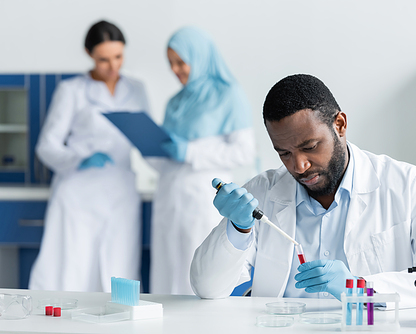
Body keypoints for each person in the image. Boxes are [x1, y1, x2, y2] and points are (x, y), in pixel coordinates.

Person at [190, 74, 416, 308]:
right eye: (284, 153)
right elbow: (207, 288)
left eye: (310, 147)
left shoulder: (406, 185)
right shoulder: (263, 192)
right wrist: (238, 229)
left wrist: (360, 289)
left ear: (340, 125)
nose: (299, 165)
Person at [29, 20, 149, 292]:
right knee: (74, 269)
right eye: (103, 59)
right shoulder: (71, 90)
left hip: (120, 191)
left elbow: (146, 136)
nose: (113, 66)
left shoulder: (137, 89)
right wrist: (76, 159)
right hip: (78, 193)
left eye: (118, 57)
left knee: (119, 268)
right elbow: (46, 145)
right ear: (89, 54)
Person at [149, 26, 255, 294]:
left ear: (199, 57)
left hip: (202, 199)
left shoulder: (228, 95)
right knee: (166, 270)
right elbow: (168, 152)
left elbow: (244, 151)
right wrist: (150, 149)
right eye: (170, 63)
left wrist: (191, 152)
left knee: (199, 272)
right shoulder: (174, 102)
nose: (176, 70)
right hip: (169, 195)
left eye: (181, 62)